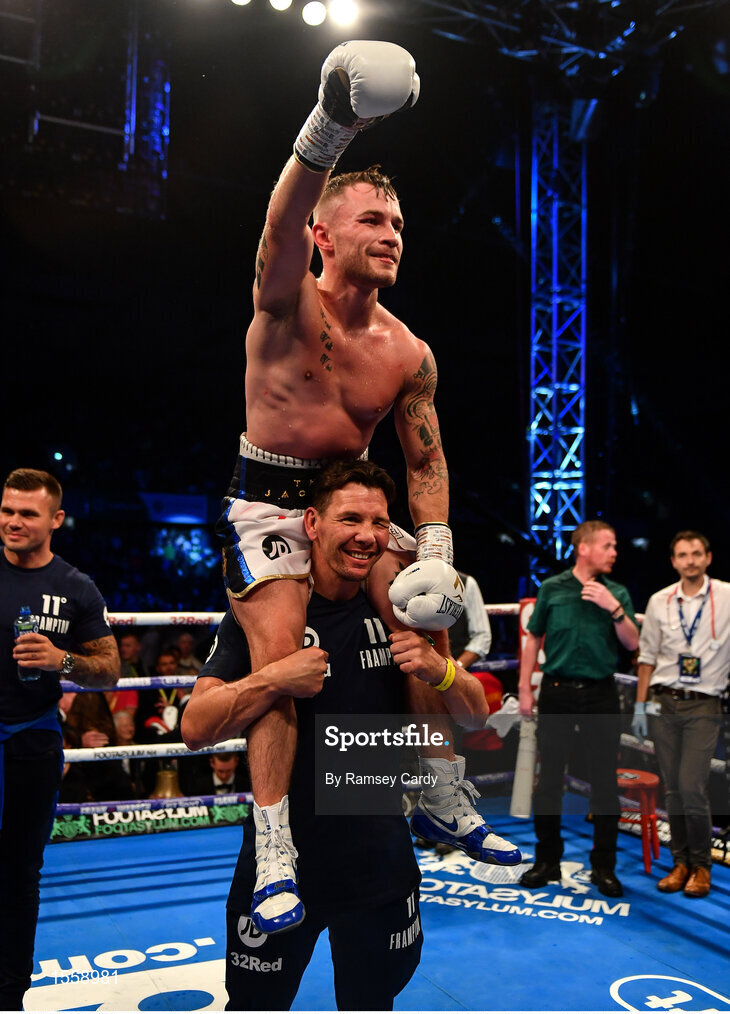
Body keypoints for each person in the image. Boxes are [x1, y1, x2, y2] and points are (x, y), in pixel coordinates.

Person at [214, 40, 487, 931]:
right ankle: (276, 847)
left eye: (398, 223)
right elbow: (278, 224)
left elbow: (426, 463)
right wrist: (330, 124)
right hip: (268, 501)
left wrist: (435, 550)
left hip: (356, 499)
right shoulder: (286, 304)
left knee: (425, 619)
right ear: (325, 238)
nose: (391, 233)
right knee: (281, 660)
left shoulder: (409, 352)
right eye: (372, 219)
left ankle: (439, 788)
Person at [183, 459, 505, 1010]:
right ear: (311, 523)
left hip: (380, 856)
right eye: (350, 519)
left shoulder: (406, 608)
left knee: (372, 1002)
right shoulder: (266, 610)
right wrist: (272, 679)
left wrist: (440, 670)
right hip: (283, 859)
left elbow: (475, 716)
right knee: (255, 1004)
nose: (366, 536)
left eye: (379, 522)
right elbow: (195, 727)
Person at [0, 467, 120, 1009]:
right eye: (7, 510)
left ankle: (9, 993)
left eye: (28, 513)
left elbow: (110, 670)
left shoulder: (75, 587)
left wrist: (62, 660)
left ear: (55, 519)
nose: (14, 521)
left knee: (21, 870)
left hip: (32, 739)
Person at [518, 520, 639, 898]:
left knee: (604, 782)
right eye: (608, 545)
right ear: (584, 548)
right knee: (549, 780)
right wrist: (524, 688)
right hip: (556, 691)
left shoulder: (617, 591)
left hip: (601, 694)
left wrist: (613, 608)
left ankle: (604, 866)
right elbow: (533, 637)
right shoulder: (552, 588)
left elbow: (632, 643)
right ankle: (547, 860)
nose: (614, 552)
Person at [632, 530, 729, 898]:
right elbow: (646, 658)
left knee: (692, 787)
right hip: (663, 702)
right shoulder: (660, 601)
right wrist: (640, 705)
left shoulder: (726, 596)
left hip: (704, 703)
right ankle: (681, 862)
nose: (690, 560)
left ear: (708, 558)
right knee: (673, 790)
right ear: (674, 561)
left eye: (696, 554)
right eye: (683, 555)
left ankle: (701, 865)